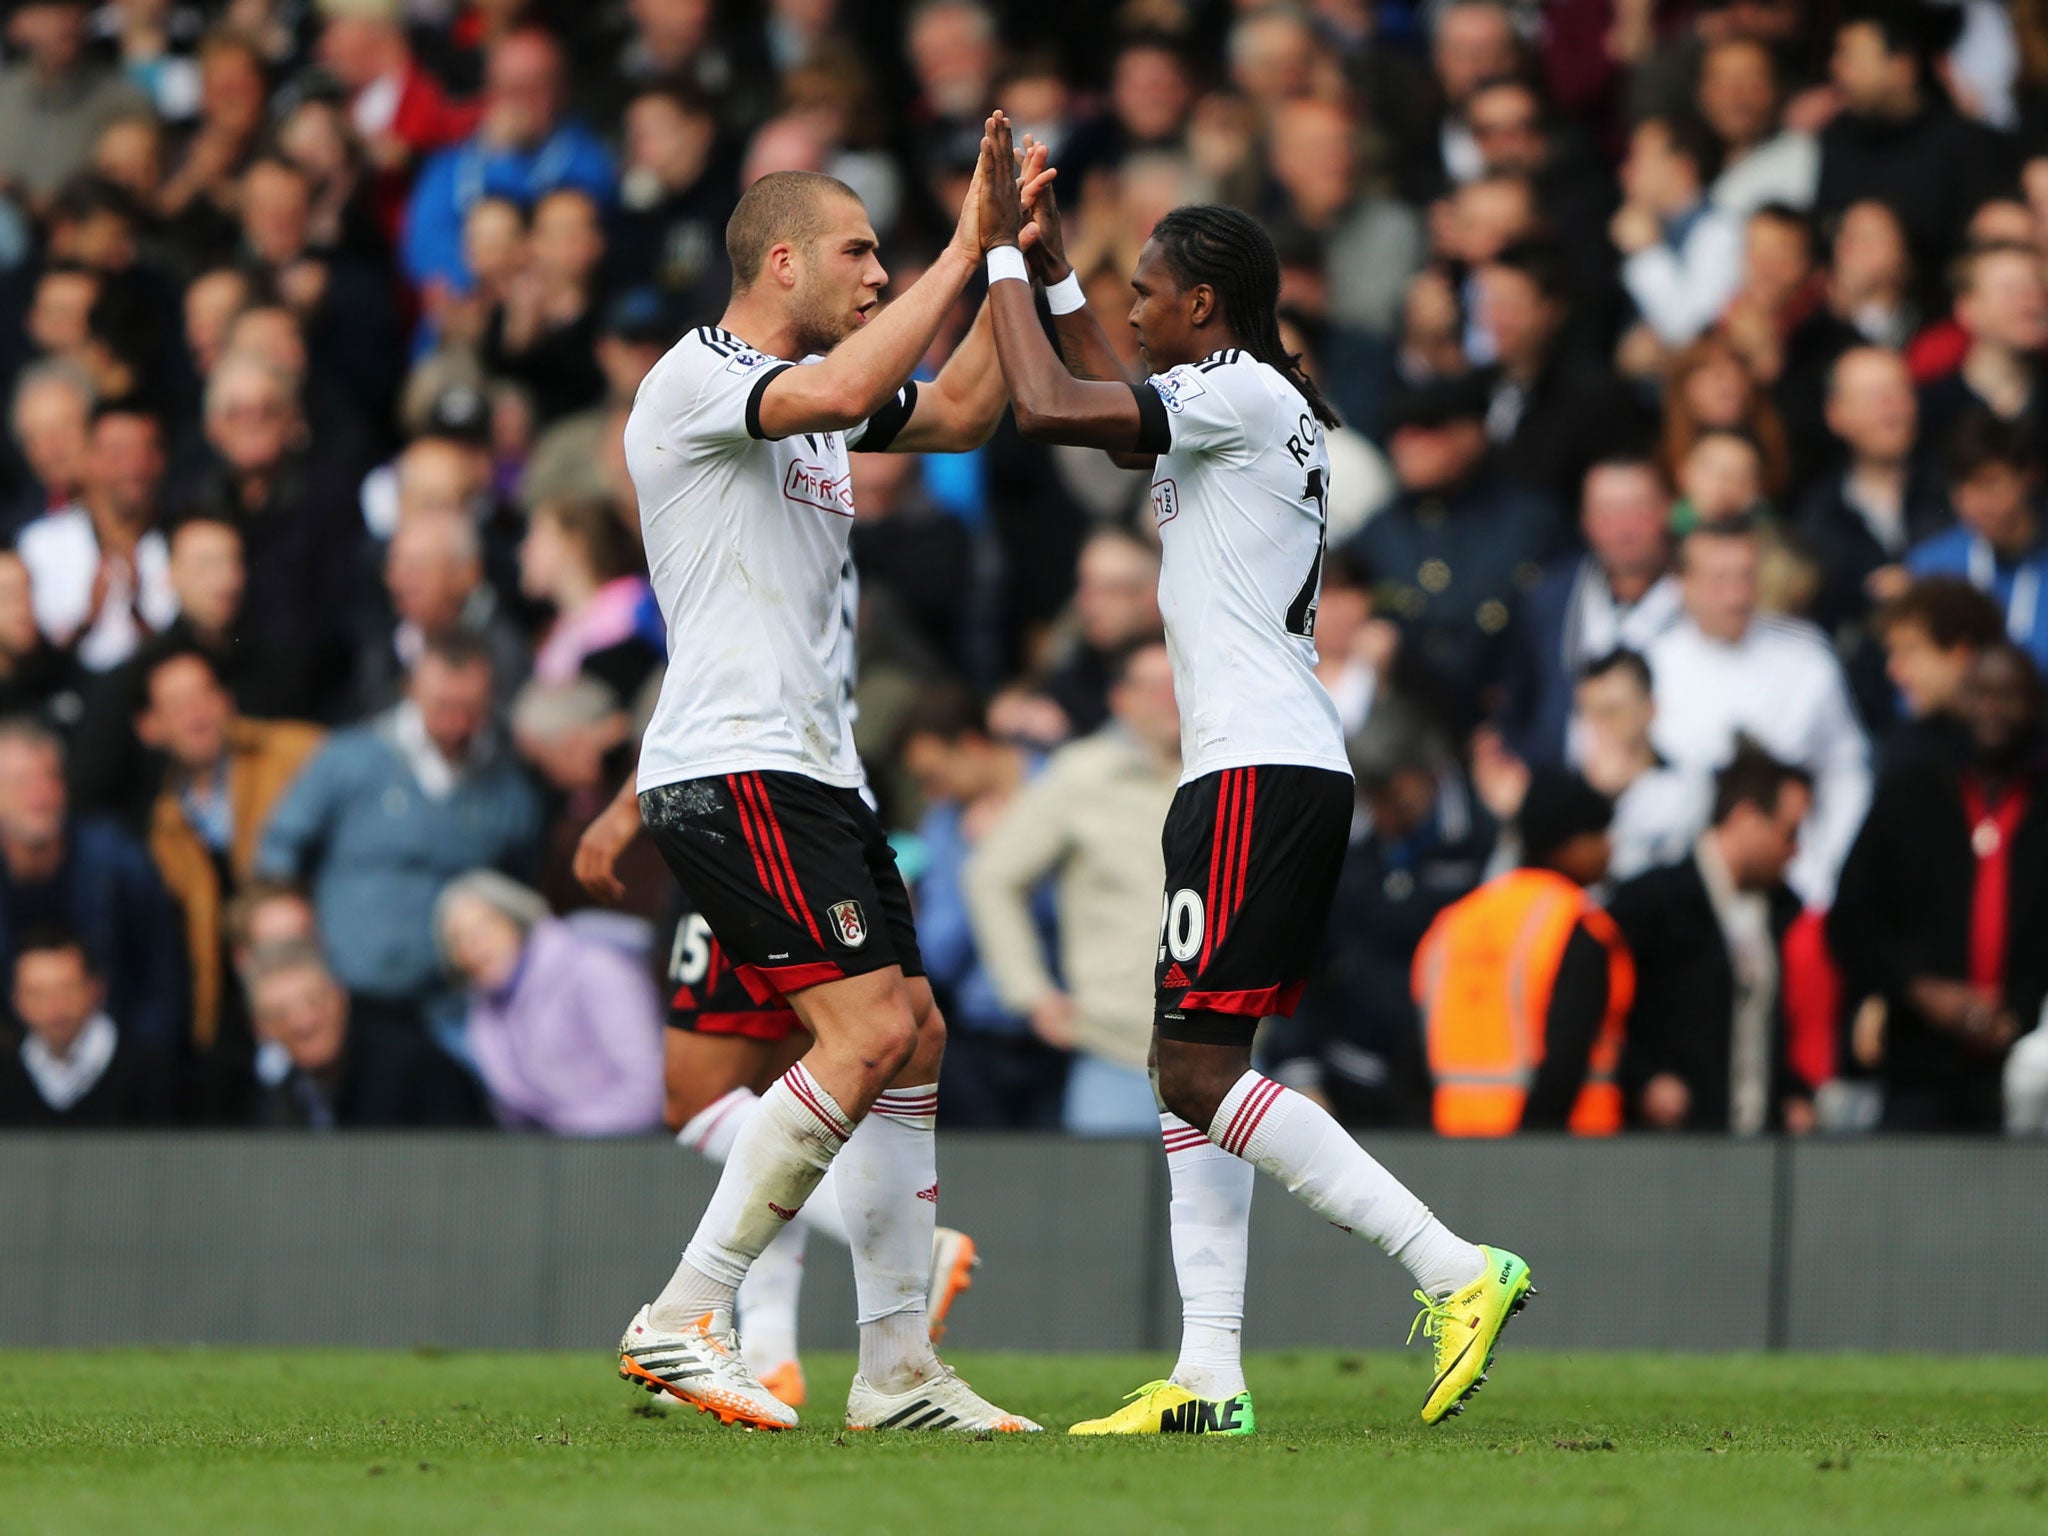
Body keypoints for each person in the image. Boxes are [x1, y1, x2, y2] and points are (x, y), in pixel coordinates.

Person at [979, 114, 1527, 1436]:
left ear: (1204, 306)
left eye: (1145, 289)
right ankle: (1210, 1376)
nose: (1129, 300)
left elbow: (1054, 406)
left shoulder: (1236, 395)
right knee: (1198, 1060)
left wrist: (996, 261)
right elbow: (1118, 418)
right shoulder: (1247, 400)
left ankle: (1455, 1267)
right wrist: (1053, 273)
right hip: (1255, 766)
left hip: (1256, 773)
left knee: (1186, 1070)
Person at [604, 149, 1030, 1435]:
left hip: (813, 767)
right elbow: (853, 382)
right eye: (859, 250)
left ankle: (897, 1374)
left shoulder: (806, 402)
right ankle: (685, 1312)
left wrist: (1016, 265)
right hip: (736, 764)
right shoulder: (699, 379)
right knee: (857, 1037)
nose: (880, 269)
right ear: (780, 260)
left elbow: (956, 412)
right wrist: (962, 247)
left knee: (912, 1031)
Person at [256, 631, 542, 1018]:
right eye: (443, 705)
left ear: (490, 700)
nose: (456, 722)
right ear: (411, 690)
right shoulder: (348, 758)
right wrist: (291, 933)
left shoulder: (508, 792)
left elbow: (522, 888)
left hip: (451, 1004)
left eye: (470, 708)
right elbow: (280, 846)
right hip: (342, 993)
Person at [966, 640, 1182, 1135]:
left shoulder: (1228, 775)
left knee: (1232, 1210)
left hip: (1231, 1052)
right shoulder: (1082, 775)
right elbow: (992, 875)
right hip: (1116, 1050)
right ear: (1121, 700)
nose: (1169, 698)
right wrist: (1030, 993)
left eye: (1178, 683)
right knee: (1110, 1207)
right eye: (1153, 687)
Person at [1830, 643, 2048, 1132]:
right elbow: (1852, 920)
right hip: (1915, 1062)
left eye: (2008, 696)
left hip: (2031, 1068)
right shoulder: (1910, 793)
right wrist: (1923, 992)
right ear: (1959, 702)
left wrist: (2019, 1010)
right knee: (1914, 1199)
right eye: (1979, 695)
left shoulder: (2042, 802)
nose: (1991, 710)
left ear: (2034, 705)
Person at [1646, 516, 1871, 904]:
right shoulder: (1651, 668)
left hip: (1799, 879)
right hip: (1683, 887)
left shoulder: (1807, 657)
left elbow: (1846, 770)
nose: (1736, 596)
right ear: (1680, 582)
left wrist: (1828, 867)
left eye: (1745, 577)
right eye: (1718, 580)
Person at [1609, 745, 1817, 1134]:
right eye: (1789, 833)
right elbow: (1607, 1011)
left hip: (1757, 1144)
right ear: (1746, 819)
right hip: (1674, 1148)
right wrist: (1644, 1080)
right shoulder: (1652, 902)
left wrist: (1792, 1093)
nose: (1795, 850)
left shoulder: (1783, 911)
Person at [1412, 770, 1632, 1136]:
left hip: (1450, 1152)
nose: (1609, 847)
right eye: (1598, 834)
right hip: (1566, 1158)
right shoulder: (1577, 925)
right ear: (1565, 841)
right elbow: (1565, 1061)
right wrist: (1526, 1150)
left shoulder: (1454, 922)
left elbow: (1414, 1053)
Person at [138, 644, 322, 1074]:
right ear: (152, 726)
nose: (195, 713)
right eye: (177, 704)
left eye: (204, 696)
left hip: (305, 973)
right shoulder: (164, 823)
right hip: (228, 1003)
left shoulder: (292, 752)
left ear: (226, 702)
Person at [894, 686, 1064, 1130]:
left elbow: (1084, 914)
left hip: (1067, 1028)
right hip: (977, 1040)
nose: (933, 793)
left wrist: (1015, 858)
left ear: (971, 746)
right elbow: (939, 956)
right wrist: (984, 863)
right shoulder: (944, 824)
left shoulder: (1064, 787)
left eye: (934, 775)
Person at [0, 715, 184, 1057]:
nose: (41, 794)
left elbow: (163, 977)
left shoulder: (116, 858)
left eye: (50, 778)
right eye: (22, 782)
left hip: (125, 1070)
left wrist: (142, 1068)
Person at [434, 870, 664, 1135]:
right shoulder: (483, 1013)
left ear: (515, 920)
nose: (471, 947)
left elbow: (650, 1087)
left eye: (482, 928)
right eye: (457, 940)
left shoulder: (594, 968)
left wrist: (564, 1141)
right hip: (557, 1161)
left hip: (633, 1152)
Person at [1500, 456, 1682, 769]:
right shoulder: (1547, 599)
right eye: (1608, 512)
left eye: (1638, 509)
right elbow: (1518, 707)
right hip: (1562, 796)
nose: (1624, 528)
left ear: (1667, 509)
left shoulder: (1705, 593)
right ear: (1585, 520)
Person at [244, 938, 486, 1129]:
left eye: (313, 1001)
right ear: (261, 1028)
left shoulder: (417, 1071)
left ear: (340, 997)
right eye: (280, 1013)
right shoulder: (276, 1105)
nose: (303, 1022)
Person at [16, 399, 176, 673]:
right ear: (89, 458)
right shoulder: (40, 546)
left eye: (145, 451)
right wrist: (88, 620)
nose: (134, 467)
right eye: (118, 453)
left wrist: (139, 616)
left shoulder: (182, 542)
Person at [1907, 412, 2048, 678]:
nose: (1973, 505)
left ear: (2028, 476)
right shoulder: (1932, 568)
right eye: (1961, 489)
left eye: (1988, 483)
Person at [0, 928, 166, 1125]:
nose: (54, 1007)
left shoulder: (149, 1071)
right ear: (17, 1001)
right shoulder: (6, 1075)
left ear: (96, 989)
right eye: (38, 993)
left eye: (66, 989)